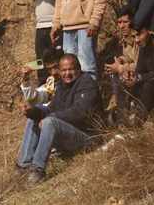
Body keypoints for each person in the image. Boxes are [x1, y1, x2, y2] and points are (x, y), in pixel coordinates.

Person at [16, 53, 102, 183]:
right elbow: (51, 108)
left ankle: (37, 170)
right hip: (69, 134)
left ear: (78, 69)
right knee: (35, 116)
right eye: (64, 70)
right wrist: (32, 112)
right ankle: (24, 165)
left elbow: (80, 113)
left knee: (49, 122)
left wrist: (50, 117)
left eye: (70, 69)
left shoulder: (87, 83)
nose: (67, 73)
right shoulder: (62, 85)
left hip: (88, 138)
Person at [103, 7, 154, 125]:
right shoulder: (120, 42)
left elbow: (143, 65)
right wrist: (120, 63)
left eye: (125, 22)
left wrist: (122, 68)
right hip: (132, 77)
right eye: (119, 22)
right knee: (114, 74)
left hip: (145, 78)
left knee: (119, 74)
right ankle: (121, 115)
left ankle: (134, 116)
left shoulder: (141, 39)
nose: (121, 26)